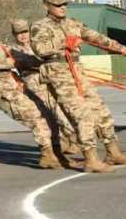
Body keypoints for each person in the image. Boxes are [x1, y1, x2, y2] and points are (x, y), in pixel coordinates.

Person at [30, 0, 126, 173]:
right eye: (57, 4)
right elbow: (40, 49)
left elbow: (96, 37)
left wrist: (120, 48)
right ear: (46, 6)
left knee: (100, 110)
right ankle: (91, 159)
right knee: (82, 115)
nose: (62, 7)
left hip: (77, 71)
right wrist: (64, 43)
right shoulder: (39, 26)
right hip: (58, 74)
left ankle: (113, 152)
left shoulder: (73, 23)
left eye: (64, 4)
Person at [0, 11, 63, 169]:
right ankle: (47, 155)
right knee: (35, 116)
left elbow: (16, 57)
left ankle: (54, 152)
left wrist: (46, 61)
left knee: (44, 112)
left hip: (11, 81)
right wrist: (15, 61)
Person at [9, 18, 80, 155]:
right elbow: (24, 62)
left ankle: (72, 139)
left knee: (59, 109)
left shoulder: (37, 45)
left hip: (48, 77)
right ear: (14, 35)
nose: (23, 35)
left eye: (25, 32)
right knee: (46, 113)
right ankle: (59, 142)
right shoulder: (13, 49)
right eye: (19, 33)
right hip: (31, 81)